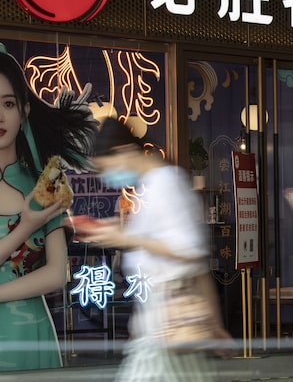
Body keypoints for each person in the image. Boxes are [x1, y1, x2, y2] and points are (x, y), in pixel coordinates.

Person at [81, 118, 232, 381]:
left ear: (124, 152)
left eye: (106, 169)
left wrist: (128, 239)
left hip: (168, 326)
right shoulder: (154, 186)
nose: (107, 178)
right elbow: (196, 265)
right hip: (163, 328)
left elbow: (187, 251)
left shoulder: (164, 184)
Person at [0, 44, 96, 371]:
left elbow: (57, 274)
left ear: (24, 110)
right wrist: (26, 225)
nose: (0, 116)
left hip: (30, 334)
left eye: (8, 104)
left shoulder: (48, 179)